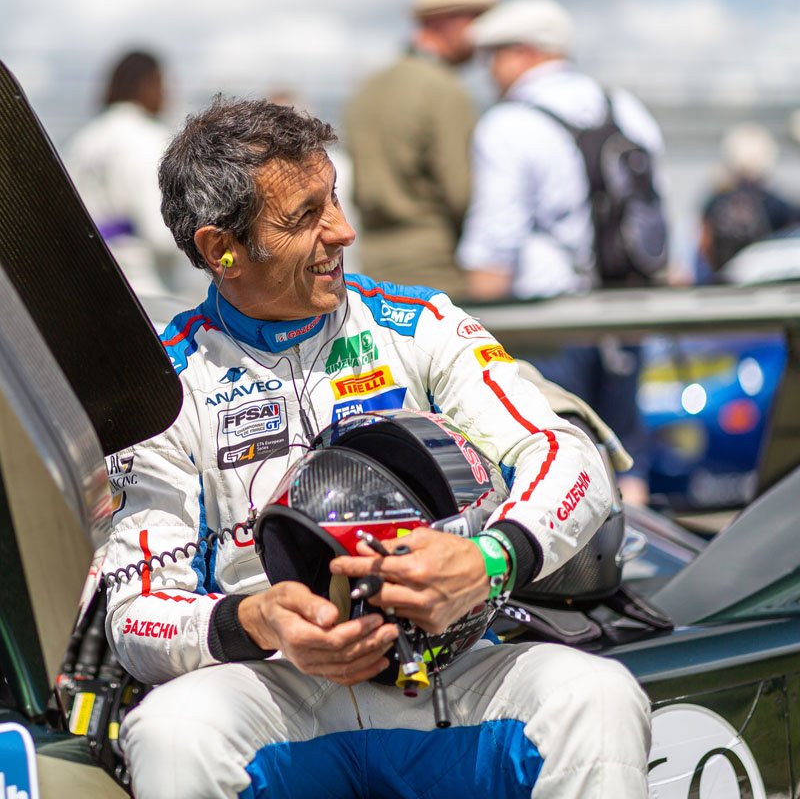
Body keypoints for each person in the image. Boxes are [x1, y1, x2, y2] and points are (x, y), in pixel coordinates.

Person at [102, 96, 650, 798]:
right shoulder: (164, 387)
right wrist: (254, 620)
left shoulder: (417, 325)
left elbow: (569, 456)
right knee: (172, 731)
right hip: (278, 684)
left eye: (333, 198)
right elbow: (137, 613)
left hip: (447, 673)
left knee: (597, 696)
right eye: (305, 216)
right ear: (220, 250)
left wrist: (490, 558)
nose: (343, 230)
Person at [457, 0, 662, 506]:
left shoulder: (509, 123)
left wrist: (476, 335)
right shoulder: (626, 109)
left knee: (555, 456)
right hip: (626, 310)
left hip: (548, 322)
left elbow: (494, 243)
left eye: (493, 56)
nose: (488, 70)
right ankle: (636, 537)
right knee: (625, 454)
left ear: (523, 53)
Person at [342, 0, 496, 299]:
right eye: (477, 21)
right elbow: (461, 193)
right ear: (447, 22)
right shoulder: (444, 90)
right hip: (436, 269)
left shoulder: (367, 89)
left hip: (372, 269)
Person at [65, 50, 197, 301]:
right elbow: (162, 235)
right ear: (148, 84)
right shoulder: (149, 139)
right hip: (147, 291)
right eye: (163, 85)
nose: (166, 96)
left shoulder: (83, 141)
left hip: (88, 284)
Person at [697, 122, 798, 282]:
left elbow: (703, 247)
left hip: (719, 283)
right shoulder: (775, 204)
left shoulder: (716, 200)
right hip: (765, 285)